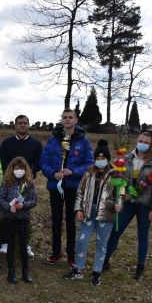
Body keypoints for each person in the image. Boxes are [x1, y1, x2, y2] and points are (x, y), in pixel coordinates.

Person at [103, 130, 152, 280]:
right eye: (141, 141)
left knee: (142, 236)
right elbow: (119, 178)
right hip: (127, 203)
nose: (142, 144)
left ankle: (140, 267)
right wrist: (121, 194)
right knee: (115, 231)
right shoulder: (126, 159)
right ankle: (105, 259)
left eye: (146, 143)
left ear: (151, 145)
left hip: (145, 205)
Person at [40, 109, 93, 267]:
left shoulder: (83, 140)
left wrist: (73, 172)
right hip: (55, 186)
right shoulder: (53, 139)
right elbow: (44, 161)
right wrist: (52, 173)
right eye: (65, 118)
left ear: (76, 120)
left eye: (71, 117)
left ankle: (71, 255)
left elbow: (89, 163)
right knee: (56, 220)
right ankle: (56, 253)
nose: (68, 120)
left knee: (71, 221)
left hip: (72, 187)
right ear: (61, 120)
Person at [63, 140, 120, 286]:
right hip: (88, 211)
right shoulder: (89, 173)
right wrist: (78, 209)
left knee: (101, 244)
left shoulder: (115, 175)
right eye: (97, 158)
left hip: (106, 214)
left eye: (103, 158)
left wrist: (119, 204)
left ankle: (96, 272)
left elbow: (120, 194)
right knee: (82, 240)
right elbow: (80, 192)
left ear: (108, 159)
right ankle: (78, 269)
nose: (100, 161)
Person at [0, 114, 43, 257]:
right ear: (15, 125)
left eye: (25, 123)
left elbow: (38, 161)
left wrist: (28, 173)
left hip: (26, 183)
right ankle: (6, 241)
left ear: (28, 125)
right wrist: (11, 173)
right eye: (20, 123)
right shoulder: (7, 143)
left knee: (24, 211)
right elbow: (2, 161)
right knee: (8, 210)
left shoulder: (36, 143)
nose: (22, 125)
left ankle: (25, 242)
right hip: (10, 182)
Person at [0, 157, 38, 284]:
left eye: (21, 168)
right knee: (11, 244)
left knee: (22, 244)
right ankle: (11, 272)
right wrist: (8, 207)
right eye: (16, 168)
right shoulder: (6, 182)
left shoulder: (29, 184)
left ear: (25, 169)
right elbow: (0, 198)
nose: (18, 170)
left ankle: (25, 273)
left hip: (23, 218)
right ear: (12, 169)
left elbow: (33, 200)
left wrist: (23, 205)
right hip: (9, 218)